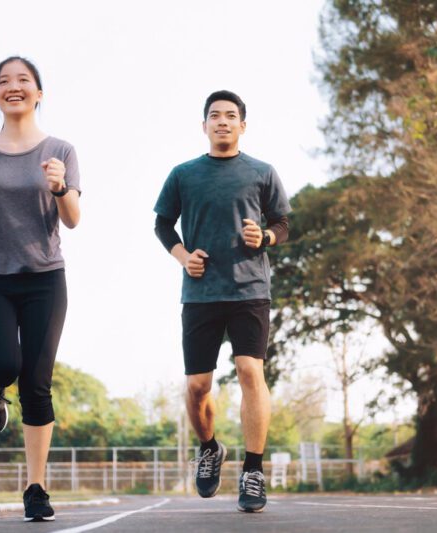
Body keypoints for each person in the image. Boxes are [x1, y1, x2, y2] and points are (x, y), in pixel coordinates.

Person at [0, 56, 80, 522]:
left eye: (23, 80)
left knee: (36, 384)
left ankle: (37, 488)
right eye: (3, 81)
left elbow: (73, 220)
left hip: (45, 279)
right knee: (3, 363)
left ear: (39, 93)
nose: (13, 86)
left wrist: (61, 188)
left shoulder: (61, 150)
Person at [153, 90, 290, 513]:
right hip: (200, 294)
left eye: (231, 116)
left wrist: (265, 237)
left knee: (250, 370)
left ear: (242, 126)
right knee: (198, 387)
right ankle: (210, 448)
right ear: (205, 126)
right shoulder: (183, 174)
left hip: (250, 289)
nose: (223, 122)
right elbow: (162, 223)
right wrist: (183, 257)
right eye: (215, 116)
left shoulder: (262, 172)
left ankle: (253, 470)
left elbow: (282, 223)